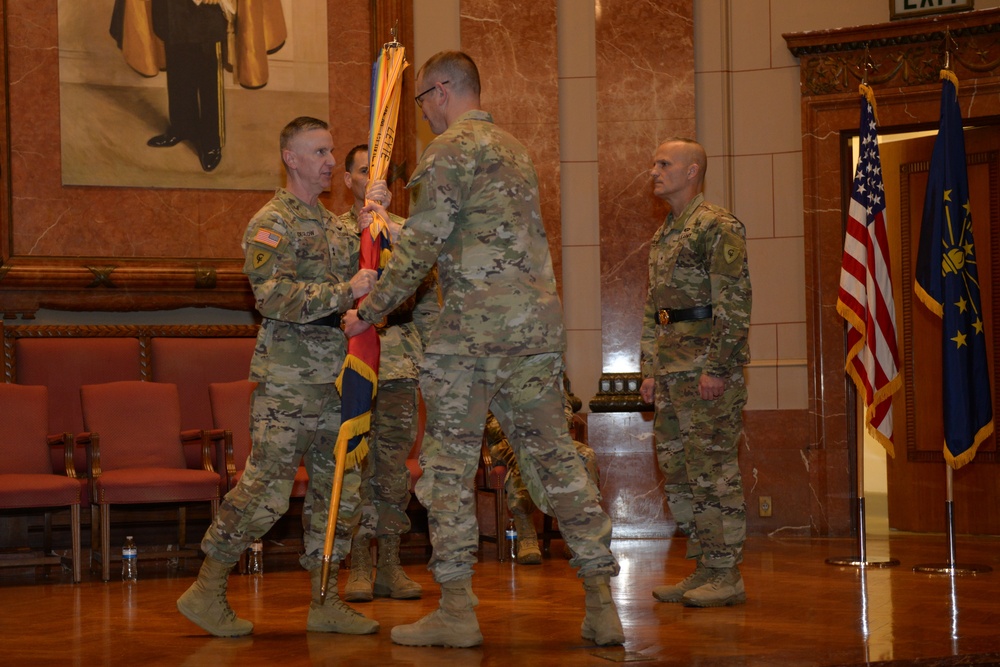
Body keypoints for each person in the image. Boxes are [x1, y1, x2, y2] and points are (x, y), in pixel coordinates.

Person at [343, 50, 624, 649]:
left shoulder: (448, 152)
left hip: (467, 339)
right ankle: (602, 603)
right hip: (532, 334)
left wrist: (367, 311)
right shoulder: (515, 150)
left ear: (442, 91)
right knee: (556, 461)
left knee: (446, 471)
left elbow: (421, 247)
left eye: (422, 102)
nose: (423, 115)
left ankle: (457, 610)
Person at [176, 116, 383, 637]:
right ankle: (207, 588)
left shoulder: (337, 224)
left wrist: (376, 206)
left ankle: (324, 599)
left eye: (332, 152)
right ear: (291, 158)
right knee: (266, 490)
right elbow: (271, 297)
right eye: (319, 152)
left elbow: (381, 244)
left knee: (338, 490)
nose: (331, 162)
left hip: (337, 383)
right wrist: (344, 291)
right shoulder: (272, 222)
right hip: (289, 384)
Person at [639, 137, 752, 608]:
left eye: (664, 163)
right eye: (654, 162)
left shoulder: (716, 226)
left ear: (692, 172)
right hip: (670, 374)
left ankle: (727, 574)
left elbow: (734, 304)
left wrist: (718, 369)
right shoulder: (665, 233)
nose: (654, 170)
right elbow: (654, 310)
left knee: (713, 472)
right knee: (681, 473)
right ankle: (705, 566)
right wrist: (649, 370)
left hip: (705, 372)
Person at [338, 144, 440, 602]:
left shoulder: (403, 230)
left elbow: (424, 270)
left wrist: (386, 223)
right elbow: (331, 280)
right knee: (356, 462)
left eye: (376, 176)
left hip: (397, 357)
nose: (369, 181)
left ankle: (391, 564)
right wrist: (358, 232)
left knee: (392, 466)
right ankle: (359, 562)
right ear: (348, 181)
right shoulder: (336, 230)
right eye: (362, 173)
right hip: (354, 360)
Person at [485, 380, 601, 565]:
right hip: (511, 441)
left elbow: (566, 411)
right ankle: (526, 533)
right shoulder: (499, 369)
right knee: (525, 457)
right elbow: (492, 424)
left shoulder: (548, 367)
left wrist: (546, 430)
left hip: (550, 439)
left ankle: (579, 532)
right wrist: (528, 428)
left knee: (586, 455)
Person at [146, 0, 229, 172]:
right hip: (173, 9)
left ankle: (211, 142)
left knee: (209, 77)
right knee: (178, 69)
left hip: (207, 10)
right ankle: (182, 127)